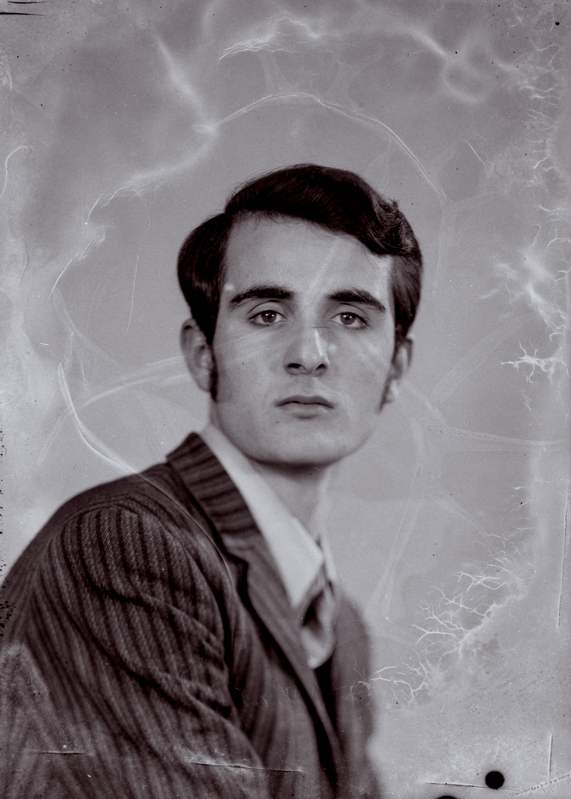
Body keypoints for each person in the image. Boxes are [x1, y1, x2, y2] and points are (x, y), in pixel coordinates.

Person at [0, 164, 422, 799]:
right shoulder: (125, 547)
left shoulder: (342, 629)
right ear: (203, 355)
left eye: (351, 317)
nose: (309, 354)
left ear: (396, 368)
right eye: (268, 313)